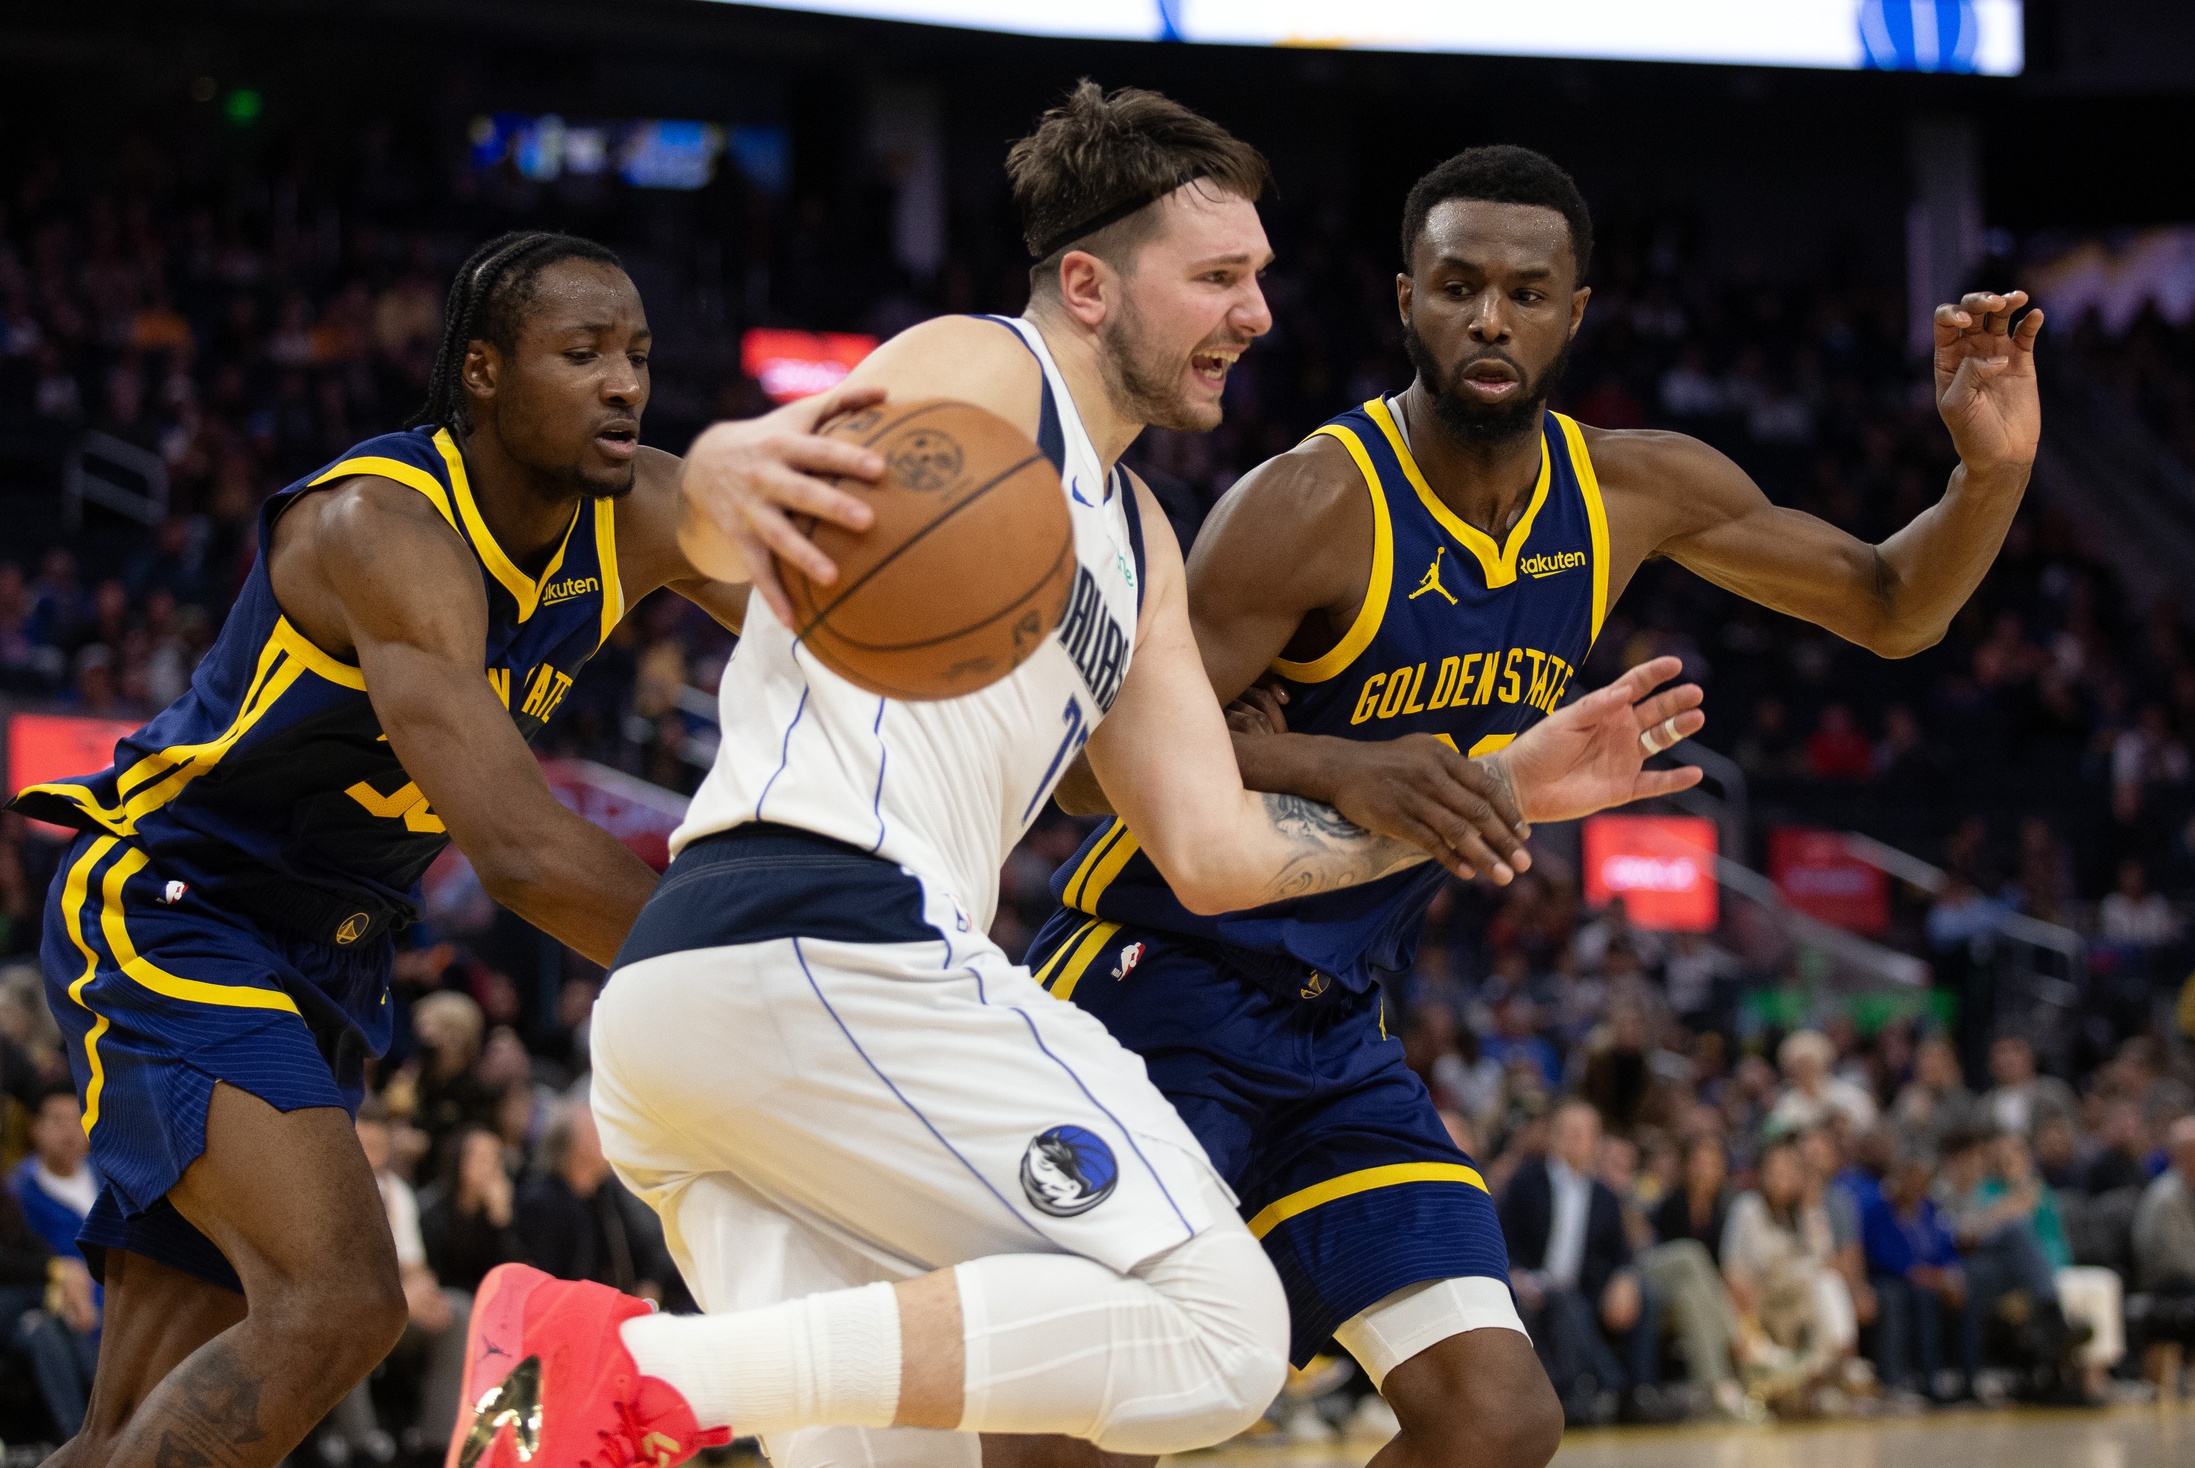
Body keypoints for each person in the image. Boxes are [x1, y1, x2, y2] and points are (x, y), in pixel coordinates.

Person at [459, 85, 1713, 1468]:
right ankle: (631, 1365)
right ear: (1088, 287)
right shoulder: (989, 376)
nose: (1256, 316)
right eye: (1218, 279)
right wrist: (725, 472)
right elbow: (713, 499)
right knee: (1216, 1329)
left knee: (926, 1450)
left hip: (704, 1022)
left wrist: (1499, 794)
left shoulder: (1139, 547)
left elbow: (1217, 851)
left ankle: (578, 1401)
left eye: (1259, 280)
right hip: (829, 938)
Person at [1016, 139, 2037, 1468]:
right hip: (1153, 986)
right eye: (1453, 285)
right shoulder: (1309, 507)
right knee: (1078, 1433)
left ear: (1573, 313)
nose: (1485, 316)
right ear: (1404, 301)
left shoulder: (1626, 491)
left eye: (1521, 289)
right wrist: (1328, 760)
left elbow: (1890, 607)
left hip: (1333, 1027)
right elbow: (1089, 764)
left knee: (1493, 1421)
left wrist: (1989, 476)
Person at [7, 229, 756, 1467]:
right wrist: (762, 958)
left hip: (334, 951)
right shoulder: (381, 527)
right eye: (580, 354)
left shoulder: (642, 510)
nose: (624, 382)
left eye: (636, 354)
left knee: (129, 1425)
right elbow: (518, 850)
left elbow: (837, 628)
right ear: (480, 371)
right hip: (185, 909)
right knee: (344, 1301)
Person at [1497, 1099, 1651, 1423]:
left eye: (1584, 1133)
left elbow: (1620, 1255)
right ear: (1553, 1136)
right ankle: (1598, 1388)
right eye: (1568, 1131)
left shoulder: (1605, 1196)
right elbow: (1501, 1238)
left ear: (1597, 1141)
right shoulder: (1526, 1183)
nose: (1575, 1139)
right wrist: (1516, 1274)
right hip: (1531, 1284)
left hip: (1582, 1289)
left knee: (1645, 1295)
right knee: (1563, 1302)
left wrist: (1625, 1278)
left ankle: (1639, 1396)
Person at [1860, 1142, 1964, 1401]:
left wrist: (1952, 1276)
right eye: (1912, 1178)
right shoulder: (1879, 1212)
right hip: (1890, 1279)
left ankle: (1961, 1378)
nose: (1918, 1186)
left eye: (1924, 1180)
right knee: (1910, 1297)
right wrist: (1933, 1278)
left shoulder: (1930, 1210)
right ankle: (1898, 1381)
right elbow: (1885, 1258)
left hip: (1930, 1280)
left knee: (1965, 1291)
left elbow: (1946, 1249)